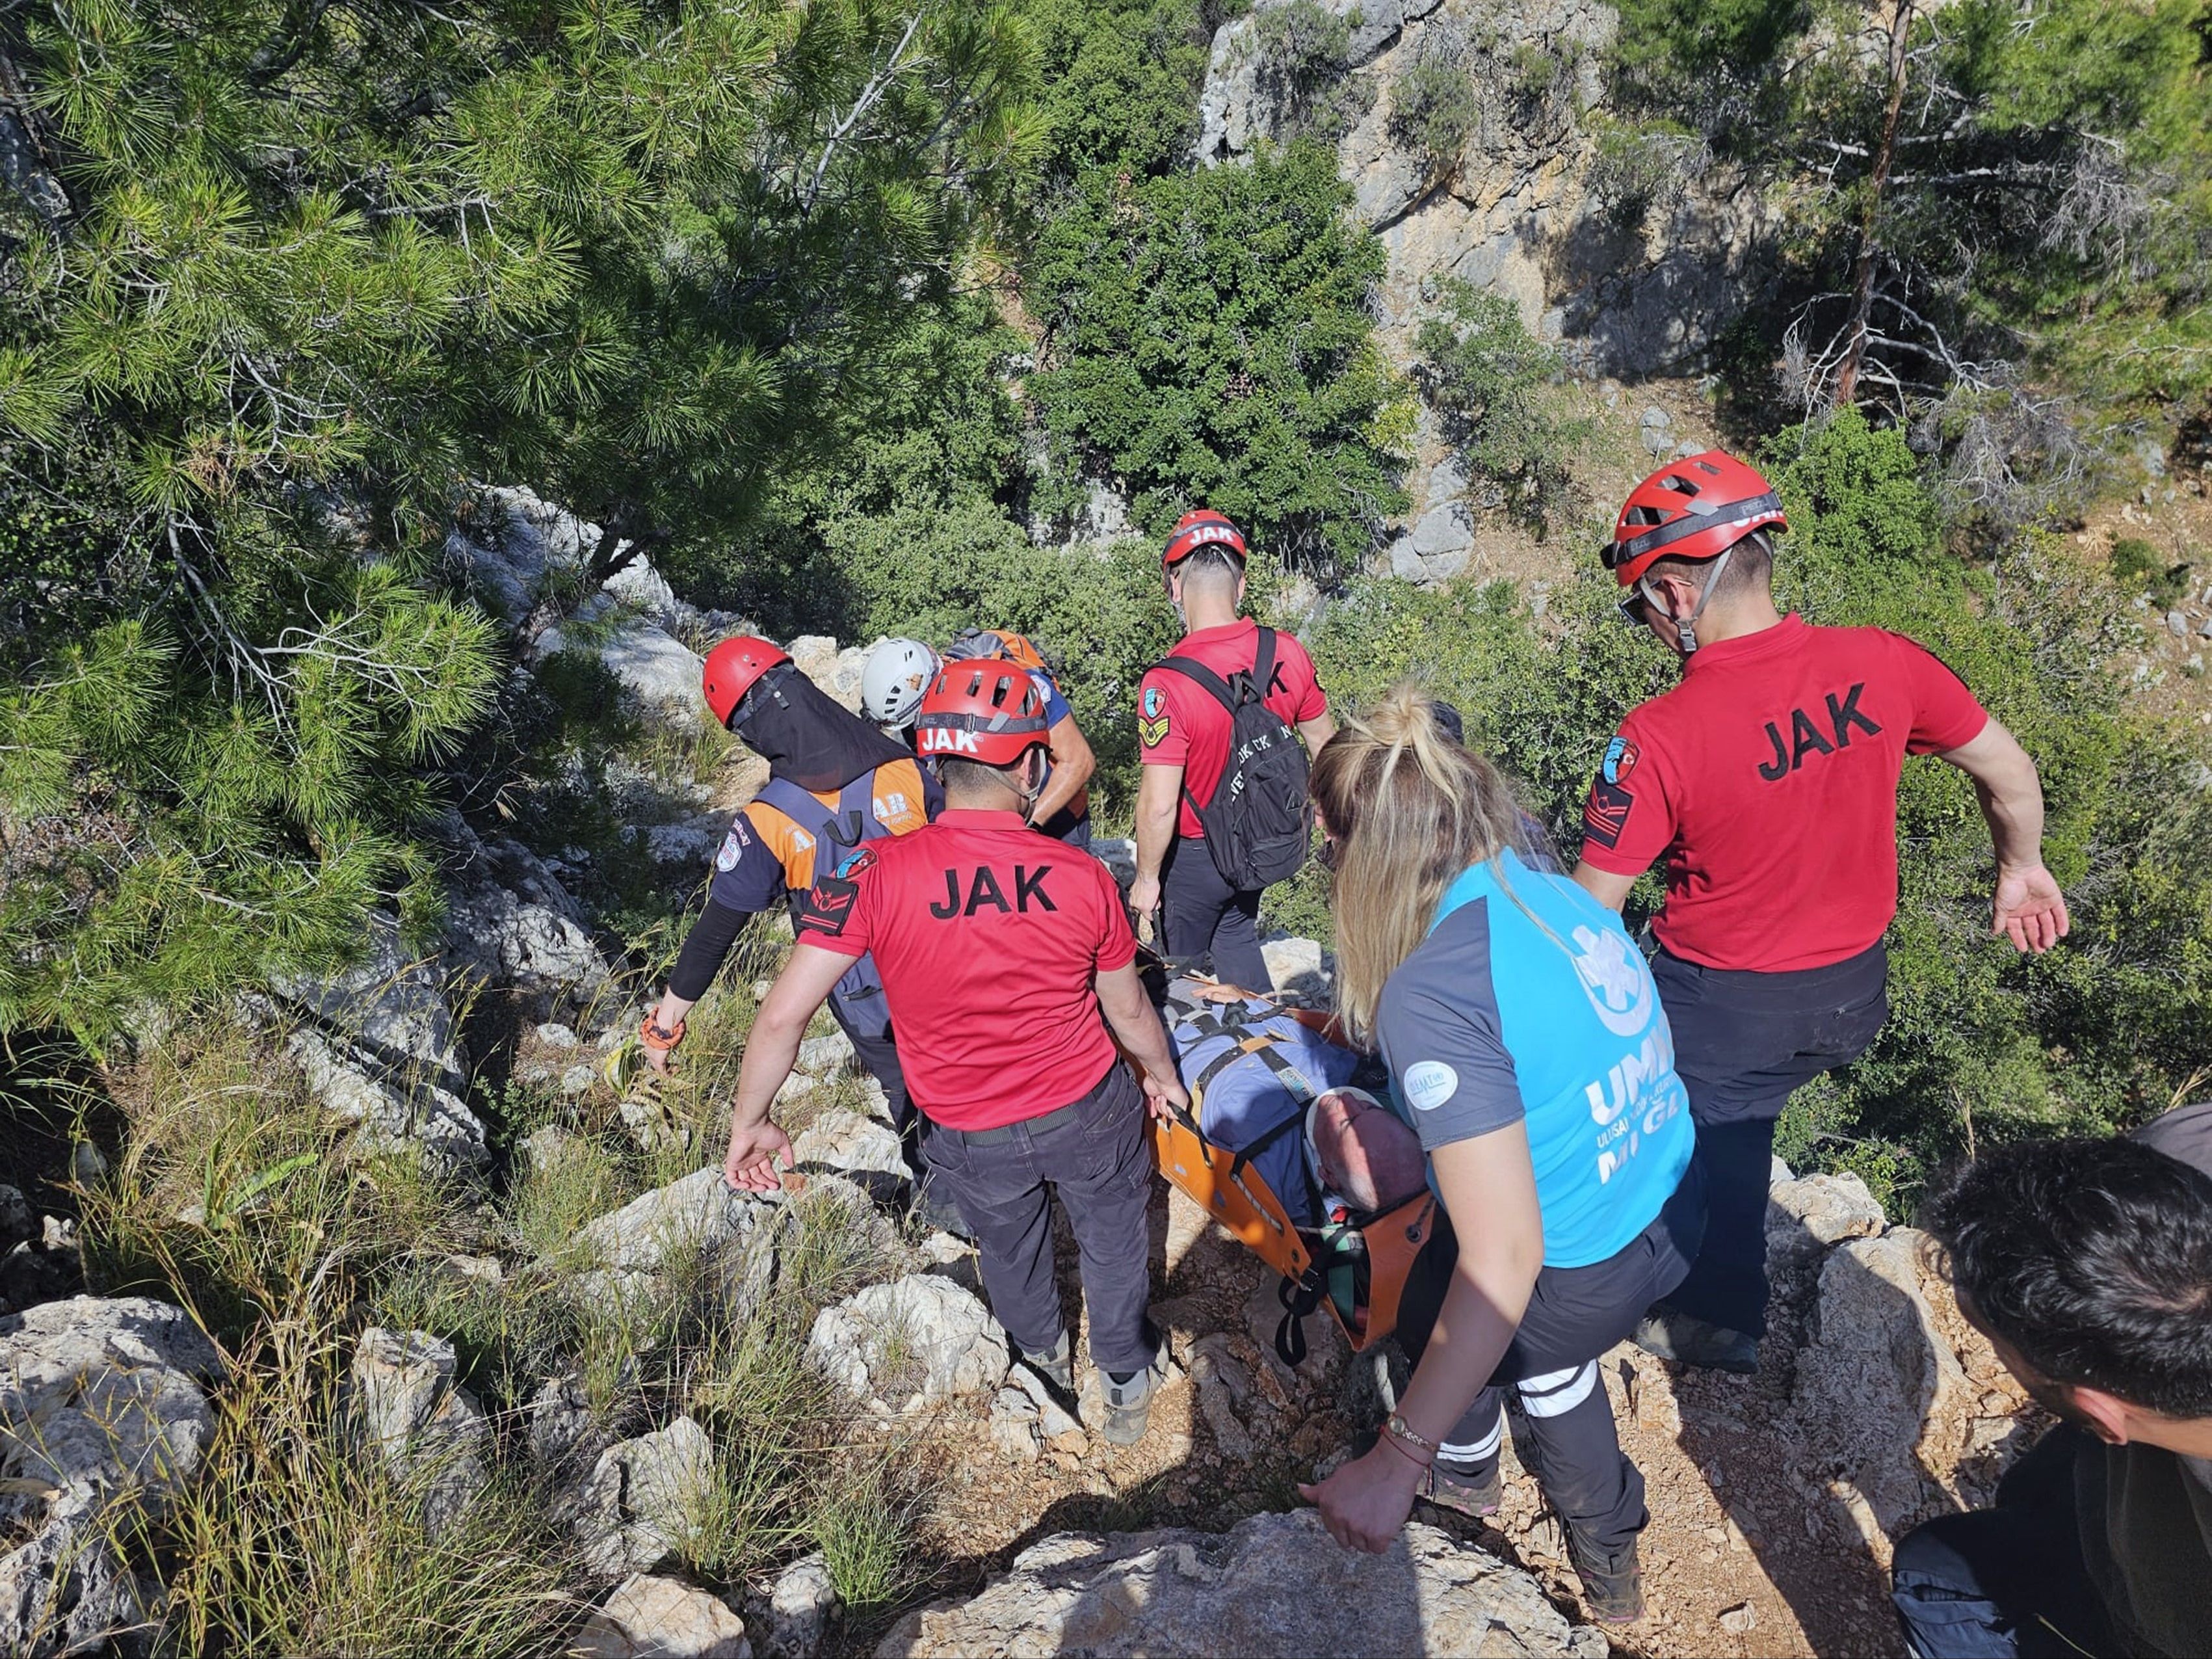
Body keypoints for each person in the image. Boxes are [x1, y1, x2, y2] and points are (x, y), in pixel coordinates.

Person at [1570, 451, 2070, 1374]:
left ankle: (1709, 1313)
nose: (1643, 625)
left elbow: (1589, 919)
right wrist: (2021, 868)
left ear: (1677, 593)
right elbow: (2005, 768)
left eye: (1640, 603)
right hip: (1850, 992)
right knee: (1744, 1110)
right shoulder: (1882, 661)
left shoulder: (1658, 738)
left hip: (1724, 1005)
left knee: (1683, 1130)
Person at [1298, 687, 1704, 1625]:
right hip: (1671, 1204)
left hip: (1577, 1263)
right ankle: (1611, 1565)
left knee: (1438, 1319)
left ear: (1370, 853)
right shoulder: (1551, 890)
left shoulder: (1431, 990)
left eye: (1329, 847)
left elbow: (1507, 1257)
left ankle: (1459, 1474)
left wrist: (1394, 1455)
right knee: (1547, 1354)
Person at [720, 657, 1189, 1444]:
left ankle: (1041, 1362)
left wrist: (752, 1121)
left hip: (967, 1127)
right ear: (1033, 766)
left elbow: (781, 1018)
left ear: (934, 764)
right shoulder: (1080, 876)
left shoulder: (872, 874)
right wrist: (1161, 1075)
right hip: (1085, 1105)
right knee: (1112, 1235)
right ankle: (1123, 1372)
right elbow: (1131, 1008)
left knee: (1009, 1245)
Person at [1891, 1110, 2212, 1659]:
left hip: (2157, 1626)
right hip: (2105, 1477)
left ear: (2105, 1412)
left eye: (1990, 1333)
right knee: (2034, 1488)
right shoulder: (2178, 1164)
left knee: (1936, 1581)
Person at [639, 637, 938, 1176]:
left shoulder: (768, 820)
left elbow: (715, 933)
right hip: (951, 966)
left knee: (911, 1099)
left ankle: (951, 1204)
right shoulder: (903, 767)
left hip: (869, 1001)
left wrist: (665, 1026)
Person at [1129, 510, 1334, 990]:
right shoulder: (1288, 651)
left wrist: (1146, 880)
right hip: (1264, 838)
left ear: (1175, 587)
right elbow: (1326, 746)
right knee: (1238, 933)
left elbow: (1160, 806)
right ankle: (1268, 1051)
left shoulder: (1167, 684)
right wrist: (1328, 818)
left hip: (1196, 858)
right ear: (1239, 586)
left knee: (1179, 977)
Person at [860, 631, 1098, 845]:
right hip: (990, 832)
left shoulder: (1013, 684)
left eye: (916, 720)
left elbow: (1078, 762)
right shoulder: (922, 714)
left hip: (1055, 814)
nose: (916, 729)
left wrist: (1029, 827)